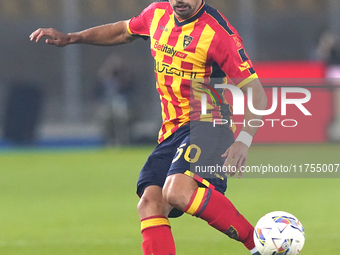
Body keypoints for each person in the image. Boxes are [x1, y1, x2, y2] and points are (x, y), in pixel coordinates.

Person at [30, 0, 267, 254]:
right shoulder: (156, 14)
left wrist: (244, 139)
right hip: (172, 131)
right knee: (150, 203)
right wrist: (72, 38)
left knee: (177, 192)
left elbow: (257, 94)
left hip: (209, 125)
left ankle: (258, 244)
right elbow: (123, 30)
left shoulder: (218, 33)